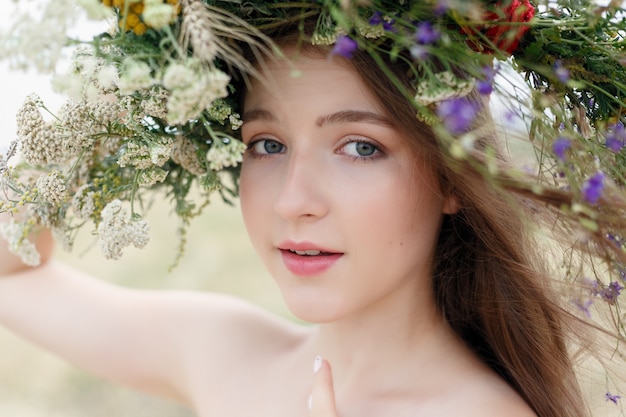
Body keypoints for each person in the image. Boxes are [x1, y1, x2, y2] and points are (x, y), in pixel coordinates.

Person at [1, 1, 624, 417]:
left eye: (359, 147)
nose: (294, 200)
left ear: (451, 177)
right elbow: (15, 273)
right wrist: (78, 148)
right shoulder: (225, 350)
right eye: (267, 144)